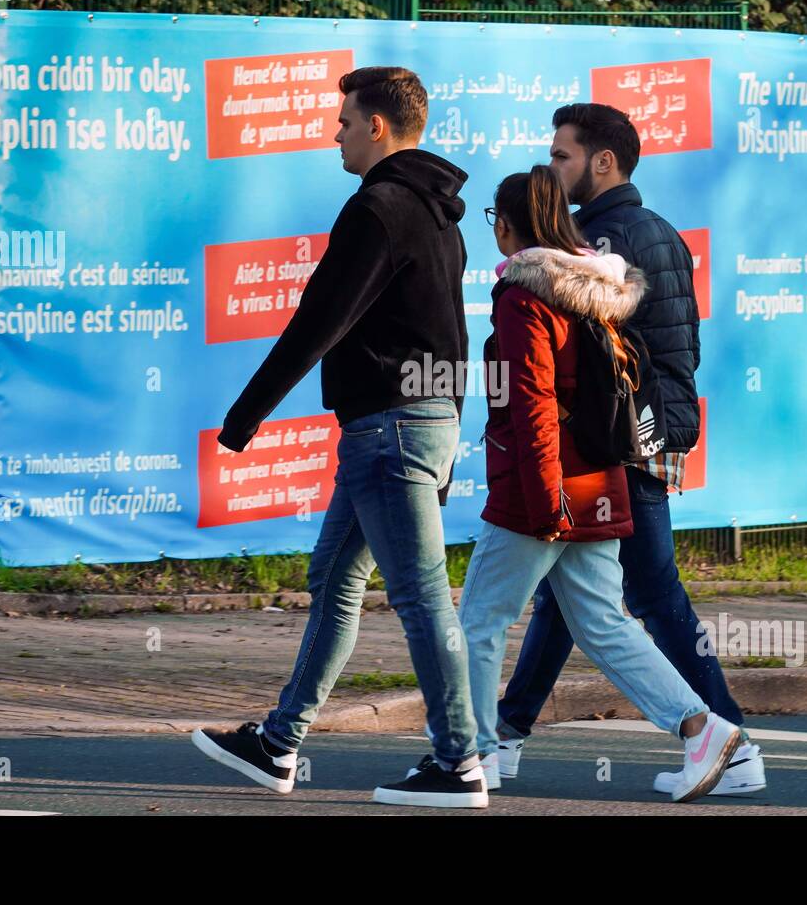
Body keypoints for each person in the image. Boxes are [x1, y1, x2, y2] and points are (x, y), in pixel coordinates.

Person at [191, 66, 487, 809]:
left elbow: (319, 320)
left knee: (420, 598)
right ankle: (278, 743)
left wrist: (245, 415)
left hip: (390, 431)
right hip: (412, 427)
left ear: (379, 127)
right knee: (335, 581)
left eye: (346, 121)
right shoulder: (437, 215)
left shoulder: (381, 209)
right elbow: (450, 338)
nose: (336, 132)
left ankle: (459, 762)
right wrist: (446, 434)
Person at [494, 104, 766, 797]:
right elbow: (683, 348)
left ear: (602, 162)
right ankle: (506, 735)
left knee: (647, 593)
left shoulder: (601, 239)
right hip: (646, 430)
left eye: (562, 157)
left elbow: (589, 361)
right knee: (570, 597)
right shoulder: (659, 231)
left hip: (623, 441)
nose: (553, 169)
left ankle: (728, 743)